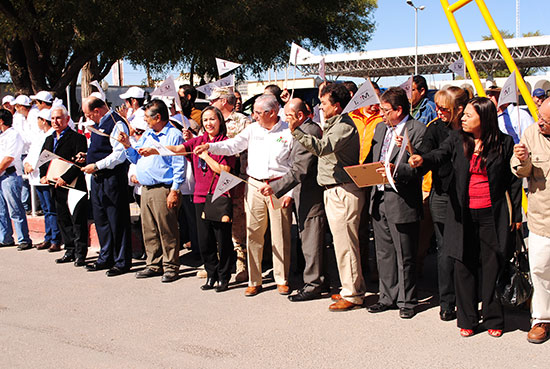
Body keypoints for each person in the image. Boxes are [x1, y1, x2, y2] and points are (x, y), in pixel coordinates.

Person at [409, 97, 522, 337]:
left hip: (493, 213)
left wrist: (517, 215)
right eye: (464, 115)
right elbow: (438, 154)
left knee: (493, 264)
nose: (463, 119)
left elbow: (513, 182)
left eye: (469, 116)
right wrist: (422, 159)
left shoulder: (504, 142)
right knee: (463, 264)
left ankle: (493, 317)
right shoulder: (457, 139)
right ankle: (467, 318)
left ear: (485, 118)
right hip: (462, 212)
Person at [194, 94, 294, 297]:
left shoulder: (288, 131)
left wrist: (289, 192)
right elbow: (232, 145)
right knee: (253, 234)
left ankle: (281, 279)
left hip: (279, 187)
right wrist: (210, 147)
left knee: (280, 235)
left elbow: (294, 165)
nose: (254, 116)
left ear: (272, 113)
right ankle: (254, 280)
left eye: (258, 112)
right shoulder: (252, 129)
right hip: (255, 185)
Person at [291, 83, 365, 311]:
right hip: (333, 190)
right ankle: (350, 288)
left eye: (324, 103)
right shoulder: (333, 124)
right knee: (341, 243)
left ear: (337, 106)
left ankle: (353, 294)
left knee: (346, 245)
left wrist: (296, 131)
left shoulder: (344, 126)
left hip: (343, 190)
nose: (321, 107)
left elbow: (323, 147)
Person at [151, 106, 236, 292]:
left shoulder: (226, 143)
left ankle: (224, 276)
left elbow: (224, 171)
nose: (208, 123)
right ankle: (211, 274)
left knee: (222, 240)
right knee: (204, 240)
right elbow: (178, 149)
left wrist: (205, 155)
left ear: (220, 121)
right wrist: (155, 150)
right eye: (205, 120)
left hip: (219, 195)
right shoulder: (199, 140)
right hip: (200, 196)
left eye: (212, 119)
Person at [366, 87, 426, 319]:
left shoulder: (417, 130)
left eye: (386, 110)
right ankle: (387, 297)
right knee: (384, 253)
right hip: (379, 197)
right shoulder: (381, 128)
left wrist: (397, 167)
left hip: (402, 199)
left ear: (399, 110)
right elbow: (375, 158)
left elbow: (418, 167)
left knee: (405, 254)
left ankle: (407, 300)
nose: (381, 114)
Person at [260, 98, 326, 302]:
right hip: (301, 192)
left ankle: (314, 284)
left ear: (299, 116)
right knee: (307, 237)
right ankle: (313, 279)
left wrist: (276, 187)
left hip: (311, 193)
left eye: (288, 116)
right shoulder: (301, 130)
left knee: (311, 239)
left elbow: (300, 169)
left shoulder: (308, 131)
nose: (284, 120)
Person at [119, 99, 186, 283]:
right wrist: (127, 145)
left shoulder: (173, 135)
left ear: (158, 117)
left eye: (148, 117)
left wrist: (174, 190)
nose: (145, 121)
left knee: (167, 229)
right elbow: (136, 158)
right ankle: (153, 263)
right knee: (149, 229)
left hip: (163, 188)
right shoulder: (148, 133)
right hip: (146, 189)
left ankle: (171, 266)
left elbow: (179, 164)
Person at [417, 86, 469, 321]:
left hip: (470, 196)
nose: (438, 112)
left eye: (443, 108)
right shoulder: (435, 128)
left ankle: (468, 296)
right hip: (442, 195)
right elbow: (431, 156)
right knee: (445, 249)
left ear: (459, 110)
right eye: (436, 107)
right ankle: (447, 301)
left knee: (469, 246)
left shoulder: (473, 129)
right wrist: (418, 159)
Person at [511, 98, 550, 344]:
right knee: (539, 269)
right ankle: (541, 319)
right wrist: (523, 160)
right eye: (539, 116)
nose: (540, 122)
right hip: (540, 219)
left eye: (545, 120)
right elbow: (519, 170)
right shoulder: (531, 133)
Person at [81, 97, 132, 276]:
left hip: (112, 178)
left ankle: (121, 261)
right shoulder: (98, 125)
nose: (88, 118)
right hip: (97, 179)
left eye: (89, 114)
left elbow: (119, 155)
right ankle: (106, 257)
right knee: (101, 219)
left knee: (116, 219)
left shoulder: (116, 124)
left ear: (97, 110)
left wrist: (97, 165)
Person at [209, 86, 251, 282]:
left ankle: (242, 263)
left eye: (214, 100)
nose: (211, 104)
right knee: (218, 218)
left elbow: (246, 150)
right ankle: (219, 262)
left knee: (239, 221)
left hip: (237, 177)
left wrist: (243, 176)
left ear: (223, 101)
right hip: (217, 176)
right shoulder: (211, 121)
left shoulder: (242, 121)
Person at [40, 105, 89, 265]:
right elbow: (43, 160)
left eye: (59, 118)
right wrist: (43, 176)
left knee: (77, 219)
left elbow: (79, 163)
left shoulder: (77, 138)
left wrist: (65, 178)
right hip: (55, 185)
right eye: (53, 118)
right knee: (63, 219)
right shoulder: (49, 139)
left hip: (73, 186)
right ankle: (69, 250)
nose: (55, 121)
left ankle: (80, 253)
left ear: (67, 119)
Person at [23, 109, 62, 251]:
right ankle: (48, 236)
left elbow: (46, 157)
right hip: (35, 177)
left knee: (51, 209)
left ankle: (55, 238)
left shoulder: (51, 136)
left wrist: (34, 166)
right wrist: (26, 164)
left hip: (45, 177)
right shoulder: (39, 136)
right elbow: (31, 153)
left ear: (43, 121)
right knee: (46, 209)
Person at [0, 109, 32, 250]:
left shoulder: (13, 135)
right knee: (1, 210)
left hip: (9, 175)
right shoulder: (2, 136)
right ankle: (5, 237)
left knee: (15, 209)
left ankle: (23, 238)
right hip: (2, 175)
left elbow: (9, 158)